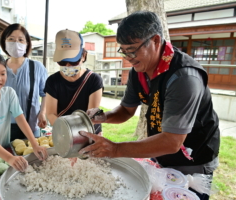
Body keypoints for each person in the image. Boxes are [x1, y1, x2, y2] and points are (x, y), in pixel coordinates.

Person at [79, 11, 220, 200]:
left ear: (155, 40)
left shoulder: (184, 77)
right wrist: (104, 116)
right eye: (124, 50)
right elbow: (126, 110)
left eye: (132, 49)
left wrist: (116, 149)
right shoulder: (139, 69)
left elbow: (172, 141)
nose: (128, 57)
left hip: (194, 158)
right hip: (161, 151)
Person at [44, 29, 103, 133]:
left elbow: (91, 116)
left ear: (83, 56)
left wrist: (75, 133)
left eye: (73, 61)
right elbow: (51, 114)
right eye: (63, 62)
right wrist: (67, 131)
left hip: (89, 132)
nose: (68, 66)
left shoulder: (94, 80)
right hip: (64, 132)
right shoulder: (53, 81)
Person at [0, 23, 47, 140]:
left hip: (31, 126)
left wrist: (42, 113)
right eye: (11, 39)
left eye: (21, 40)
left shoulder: (37, 67)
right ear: (4, 42)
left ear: (27, 44)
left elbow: (46, 94)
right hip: (3, 128)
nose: (16, 43)